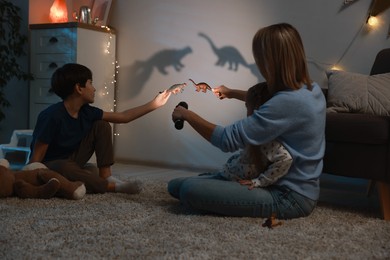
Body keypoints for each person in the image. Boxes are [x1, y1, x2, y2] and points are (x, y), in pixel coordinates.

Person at [168, 23, 326, 219]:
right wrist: (231, 93)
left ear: (270, 60)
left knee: (188, 190)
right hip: (299, 190)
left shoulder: (289, 101)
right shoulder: (311, 90)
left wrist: (187, 115)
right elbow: (276, 106)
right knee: (175, 186)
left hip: (288, 195)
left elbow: (227, 139)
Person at [29, 63, 172, 194]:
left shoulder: (87, 112)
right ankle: (112, 187)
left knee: (101, 125)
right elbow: (36, 159)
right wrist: (33, 177)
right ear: (79, 88)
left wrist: (154, 104)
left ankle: (106, 176)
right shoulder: (52, 116)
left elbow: (123, 117)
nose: (94, 88)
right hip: (51, 166)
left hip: (72, 159)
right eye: (90, 83)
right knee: (65, 167)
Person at [219, 83, 292, 189]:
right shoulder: (255, 134)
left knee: (189, 187)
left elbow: (286, 159)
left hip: (234, 181)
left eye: (247, 106)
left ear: (256, 110)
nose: (247, 111)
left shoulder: (266, 139)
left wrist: (260, 181)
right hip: (228, 173)